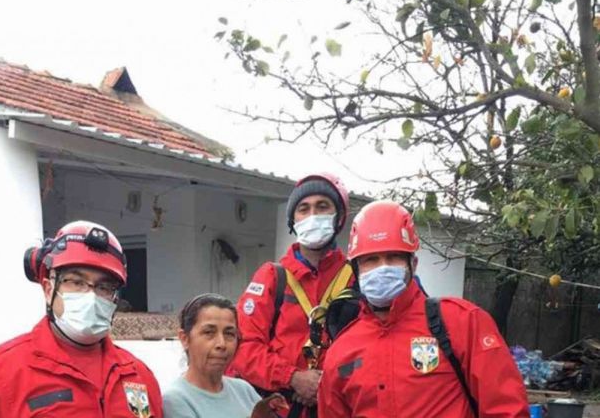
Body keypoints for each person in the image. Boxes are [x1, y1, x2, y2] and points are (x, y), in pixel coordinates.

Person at [318, 201, 530, 417]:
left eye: (394, 257)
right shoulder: (341, 350)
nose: (383, 268)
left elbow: (507, 410)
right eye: (371, 260)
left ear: (413, 264)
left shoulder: (462, 323)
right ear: (356, 270)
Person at [0, 221, 163, 418]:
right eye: (76, 282)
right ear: (48, 290)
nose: (91, 296)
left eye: (104, 287)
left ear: (114, 299)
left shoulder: (138, 375)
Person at [228, 173, 354, 416]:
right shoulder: (272, 277)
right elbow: (244, 348)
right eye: (303, 209)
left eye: (322, 207)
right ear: (293, 220)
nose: (312, 216)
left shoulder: (356, 277)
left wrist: (326, 383)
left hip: (341, 406)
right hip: (282, 409)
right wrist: (293, 377)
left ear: (339, 217)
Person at [163, 293, 287, 418]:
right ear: (184, 339)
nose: (221, 344)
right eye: (209, 332)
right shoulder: (176, 399)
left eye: (229, 334)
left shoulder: (243, 390)